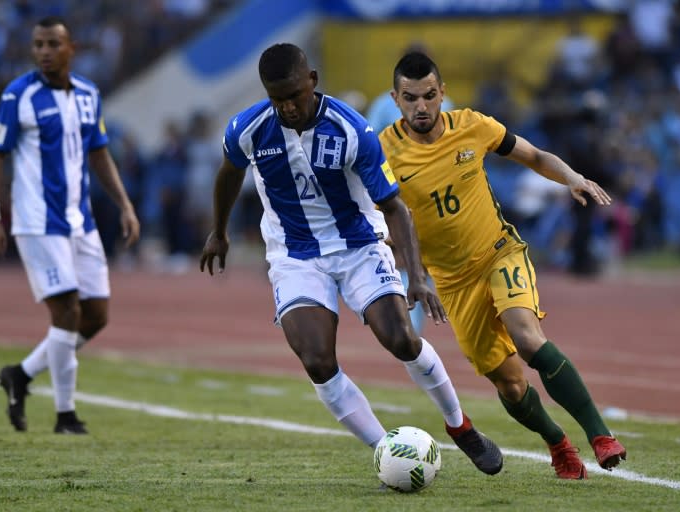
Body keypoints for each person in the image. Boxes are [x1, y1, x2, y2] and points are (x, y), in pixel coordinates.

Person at [199, 43, 502, 475]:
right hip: (294, 254)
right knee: (317, 360)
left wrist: (416, 277)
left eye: (293, 95)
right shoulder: (247, 128)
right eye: (276, 98)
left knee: (401, 338)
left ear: (312, 81)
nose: (286, 106)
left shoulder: (351, 130)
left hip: (359, 245)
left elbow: (395, 207)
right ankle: (389, 452)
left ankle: (461, 426)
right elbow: (229, 171)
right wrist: (220, 230)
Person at [378, 51, 627, 479]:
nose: (422, 106)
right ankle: (557, 442)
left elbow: (533, 155)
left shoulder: (473, 125)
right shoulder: (382, 150)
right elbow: (379, 215)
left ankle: (601, 435)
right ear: (395, 98)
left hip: (499, 252)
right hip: (453, 285)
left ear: (443, 94)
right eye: (411, 98)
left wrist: (571, 178)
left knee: (527, 337)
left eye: (430, 96)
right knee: (509, 384)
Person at [0, 16, 140, 434]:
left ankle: (20, 374)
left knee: (96, 315)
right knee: (67, 310)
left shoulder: (89, 94)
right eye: (37, 45)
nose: (44, 52)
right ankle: (65, 415)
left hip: (80, 220)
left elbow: (99, 152)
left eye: (52, 44)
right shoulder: (18, 95)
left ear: (72, 48)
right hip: (37, 221)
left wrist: (124, 204)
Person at [367, 42, 452, 335]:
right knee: (404, 262)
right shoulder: (383, 105)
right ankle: (410, 329)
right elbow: (371, 152)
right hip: (399, 197)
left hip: (434, 199)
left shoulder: (446, 105)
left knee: (422, 264)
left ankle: (415, 325)